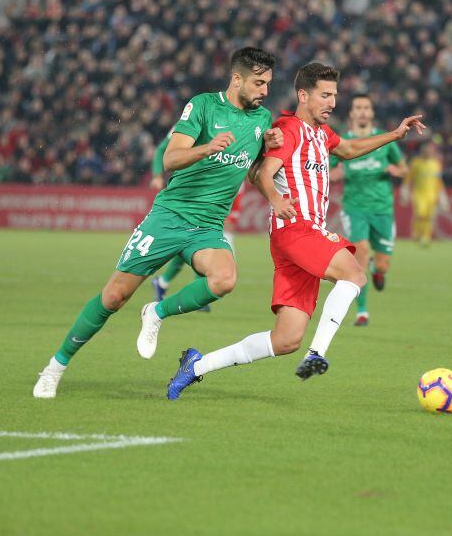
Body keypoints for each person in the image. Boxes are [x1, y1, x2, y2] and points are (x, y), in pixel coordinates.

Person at [32, 47, 284, 398]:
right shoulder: (204, 106)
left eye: (269, 84)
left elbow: (253, 170)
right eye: (259, 82)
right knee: (115, 296)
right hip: (169, 216)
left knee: (225, 279)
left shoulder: (262, 120)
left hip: (208, 226)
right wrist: (207, 148)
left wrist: (270, 151)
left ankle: (157, 312)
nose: (265, 91)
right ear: (236, 78)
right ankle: (54, 368)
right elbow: (171, 158)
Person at [165, 62, 424, 400]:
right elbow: (262, 172)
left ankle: (196, 366)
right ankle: (317, 353)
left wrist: (394, 134)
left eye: (335, 96)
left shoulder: (322, 133)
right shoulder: (289, 129)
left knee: (285, 339)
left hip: (301, 238)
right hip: (296, 230)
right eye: (325, 95)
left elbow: (346, 150)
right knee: (355, 275)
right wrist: (276, 199)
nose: (332, 103)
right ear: (304, 95)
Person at [328, 93, 408, 326]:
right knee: (360, 251)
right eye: (358, 108)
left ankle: (378, 269)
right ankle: (362, 311)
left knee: (382, 263)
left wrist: (396, 171)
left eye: (366, 107)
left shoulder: (383, 140)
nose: (362, 111)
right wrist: (335, 174)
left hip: (383, 209)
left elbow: (403, 168)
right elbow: (328, 169)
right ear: (352, 114)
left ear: (371, 113)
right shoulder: (343, 142)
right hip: (355, 208)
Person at [148, 128, 246, 312]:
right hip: (192, 193)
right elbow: (162, 149)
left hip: (226, 183)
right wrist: (156, 175)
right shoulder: (192, 121)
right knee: (191, 243)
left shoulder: (245, 123)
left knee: (196, 245)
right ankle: (179, 290)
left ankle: (165, 283)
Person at [404, 141, 445, 247]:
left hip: (432, 195)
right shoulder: (416, 163)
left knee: (429, 216)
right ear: (422, 150)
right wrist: (405, 191)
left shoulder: (436, 164)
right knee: (420, 214)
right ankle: (416, 233)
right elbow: (408, 179)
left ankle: (425, 237)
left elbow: (439, 181)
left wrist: (443, 196)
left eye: (431, 150)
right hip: (419, 194)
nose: (428, 151)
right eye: (426, 149)